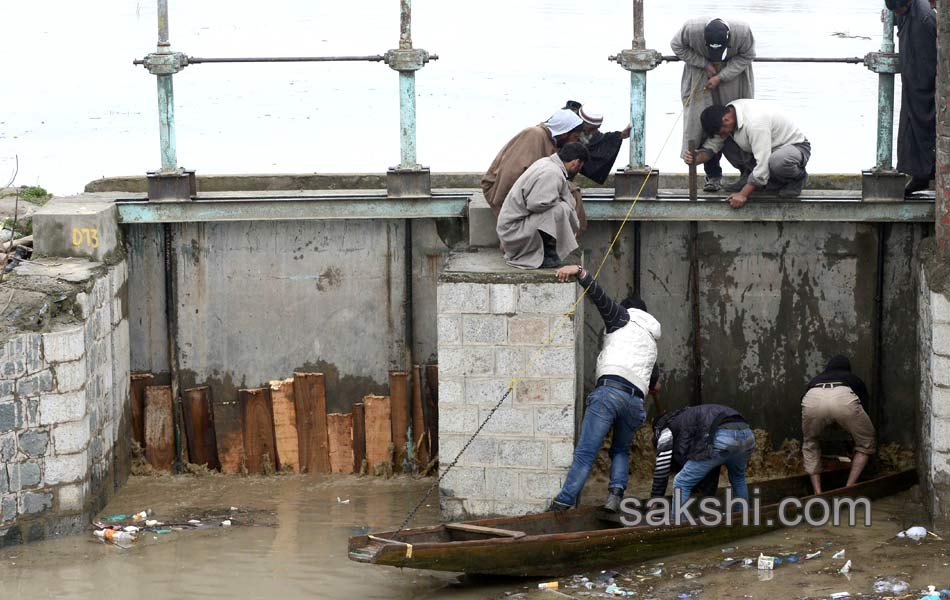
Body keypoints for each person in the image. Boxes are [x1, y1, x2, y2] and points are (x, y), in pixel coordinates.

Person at [546, 264, 661, 512]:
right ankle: (615, 496)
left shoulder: (621, 317)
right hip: (634, 403)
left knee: (586, 452)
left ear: (627, 309)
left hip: (609, 392)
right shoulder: (651, 342)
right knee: (620, 450)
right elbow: (655, 384)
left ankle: (564, 502)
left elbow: (598, 296)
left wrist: (579, 271)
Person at [671, 17, 755, 192]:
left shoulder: (742, 31)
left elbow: (748, 55)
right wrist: (704, 64)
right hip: (699, 77)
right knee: (705, 126)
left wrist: (721, 76)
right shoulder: (691, 29)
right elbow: (677, 46)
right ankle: (713, 175)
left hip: (734, 78)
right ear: (703, 40)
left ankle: (747, 174)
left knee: (735, 123)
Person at [685, 99, 810, 209]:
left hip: (793, 147)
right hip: (765, 149)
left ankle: (798, 177)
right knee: (726, 142)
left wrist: (743, 194)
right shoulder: (730, 114)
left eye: (720, 131)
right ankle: (750, 175)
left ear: (726, 119)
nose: (721, 135)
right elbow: (712, 147)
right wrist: (695, 158)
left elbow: (763, 164)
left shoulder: (755, 123)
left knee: (777, 161)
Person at [496, 143, 588, 269]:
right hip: (514, 232)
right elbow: (536, 204)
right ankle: (535, 254)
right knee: (562, 209)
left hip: (514, 227)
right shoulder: (552, 172)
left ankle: (544, 249)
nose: (578, 170)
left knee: (562, 207)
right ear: (576, 163)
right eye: (580, 167)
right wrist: (560, 201)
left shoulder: (547, 162)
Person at [481, 109, 585, 218]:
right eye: (575, 137)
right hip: (499, 192)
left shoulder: (550, 141)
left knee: (571, 195)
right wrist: (507, 210)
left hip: (521, 193)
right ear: (564, 133)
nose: (574, 142)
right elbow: (510, 173)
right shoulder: (534, 135)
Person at [650, 404, 755, 505]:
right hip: (747, 434)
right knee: (738, 479)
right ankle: (741, 518)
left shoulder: (665, 432)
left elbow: (662, 470)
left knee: (681, 482)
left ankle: (680, 521)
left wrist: (655, 501)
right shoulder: (687, 417)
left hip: (723, 435)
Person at [801, 355, 876, 494]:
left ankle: (818, 492)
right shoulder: (853, 379)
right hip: (843, 397)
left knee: (810, 443)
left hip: (813, 397)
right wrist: (854, 441)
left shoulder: (815, 379)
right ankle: (848, 488)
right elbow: (863, 410)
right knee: (866, 443)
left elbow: (806, 407)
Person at [886, 0, 937, 196]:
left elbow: (932, 59)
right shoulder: (908, 12)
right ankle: (919, 175)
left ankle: (925, 175)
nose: (897, 14)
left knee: (924, 132)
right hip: (913, 81)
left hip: (924, 86)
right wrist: (892, 20)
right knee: (909, 132)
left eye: (898, 10)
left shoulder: (925, 17)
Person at [562, 100, 631, 184]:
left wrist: (620, 135)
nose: (593, 132)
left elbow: (599, 142)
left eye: (596, 128)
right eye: (591, 129)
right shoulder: (563, 125)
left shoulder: (588, 129)